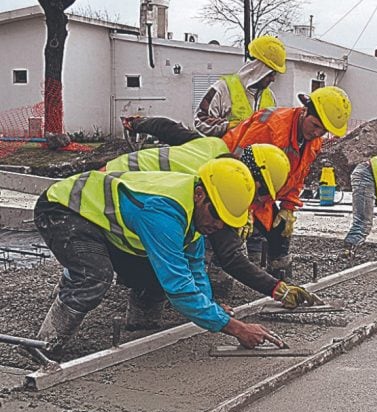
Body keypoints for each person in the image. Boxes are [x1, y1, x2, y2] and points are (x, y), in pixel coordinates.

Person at [31, 159, 285, 359]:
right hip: (64, 208)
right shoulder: (164, 213)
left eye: (225, 222)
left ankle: (140, 329)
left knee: (157, 271)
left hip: (104, 222)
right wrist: (235, 327)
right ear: (200, 194)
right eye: (216, 214)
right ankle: (44, 347)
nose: (218, 225)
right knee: (94, 276)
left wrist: (211, 306)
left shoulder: (193, 212)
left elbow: (193, 268)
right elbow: (179, 288)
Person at [103, 137, 315, 310]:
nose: (259, 201)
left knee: (179, 257)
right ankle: (143, 321)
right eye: (261, 194)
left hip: (118, 183)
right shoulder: (213, 183)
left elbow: (173, 130)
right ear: (252, 176)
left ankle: (151, 314)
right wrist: (277, 289)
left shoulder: (218, 157)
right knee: (162, 263)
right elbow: (229, 255)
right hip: (113, 193)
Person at [222, 86, 352, 275]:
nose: (317, 133)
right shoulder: (272, 127)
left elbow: (298, 175)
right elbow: (240, 167)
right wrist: (244, 208)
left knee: (280, 231)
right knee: (225, 238)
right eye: (315, 125)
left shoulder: (313, 141)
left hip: (263, 192)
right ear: (305, 111)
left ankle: (279, 279)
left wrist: (288, 207)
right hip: (232, 187)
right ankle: (218, 283)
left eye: (323, 131)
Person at [123, 35, 287, 145]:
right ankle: (137, 124)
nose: (273, 79)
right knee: (167, 128)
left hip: (256, 164)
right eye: (270, 74)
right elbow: (201, 120)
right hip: (220, 158)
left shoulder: (269, 97)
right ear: (257, 69)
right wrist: (230, 126)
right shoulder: (224, 88)